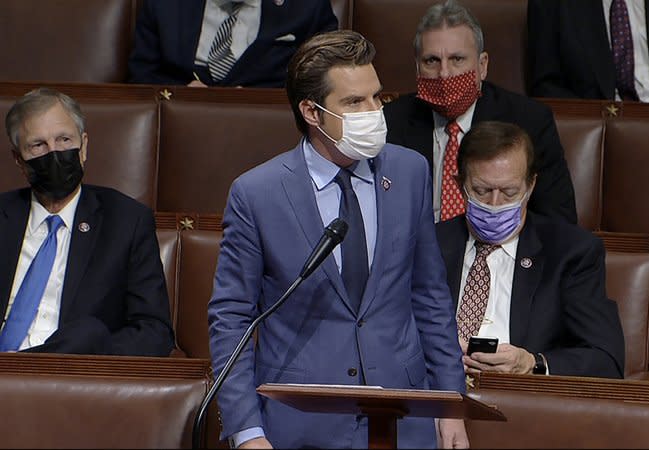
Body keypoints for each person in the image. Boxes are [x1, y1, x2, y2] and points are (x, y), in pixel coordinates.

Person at [208, 30, 468, 449]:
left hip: (403, 417)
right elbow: (233, 319)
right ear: (311, 112)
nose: (373, 113)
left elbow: (430, 295)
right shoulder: (257, 194)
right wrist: (247, 431)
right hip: (302, 421)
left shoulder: (409, 172)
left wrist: (451, 404)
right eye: (353, 102)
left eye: (376, 98)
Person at [436, 120, 624, 379]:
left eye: (509, 192)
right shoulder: (429, 244)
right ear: (460, 184)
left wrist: (532, 363)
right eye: (481, 191)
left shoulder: (570, 252)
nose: (495, 203)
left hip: (522, 401)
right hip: (436, 391)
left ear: (530, 185)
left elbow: (605, 360)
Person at [0, 88, 174, 356]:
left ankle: (30, 362)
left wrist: (89, 352)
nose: (54, 153)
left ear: (83, 147)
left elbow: (154, 332)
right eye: (38, 145)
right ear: (19, 160)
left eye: (64, 140)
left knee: (87, 332)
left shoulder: (126, 221)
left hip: (72, 378)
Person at [384, 0, 576, 225]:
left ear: (482, 65)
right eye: (432, 61)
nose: (444, 74)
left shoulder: (528, 121)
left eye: (457, 59)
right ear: (417, 67)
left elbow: (557, 221)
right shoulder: (392, 121)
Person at [128, 0, 338, 87]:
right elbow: (142, 74)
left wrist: (253, 101)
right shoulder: (165, 5)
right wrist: (181, 94)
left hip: (268, 127)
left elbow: (322, 82)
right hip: (178, 123)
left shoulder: (308, 7)